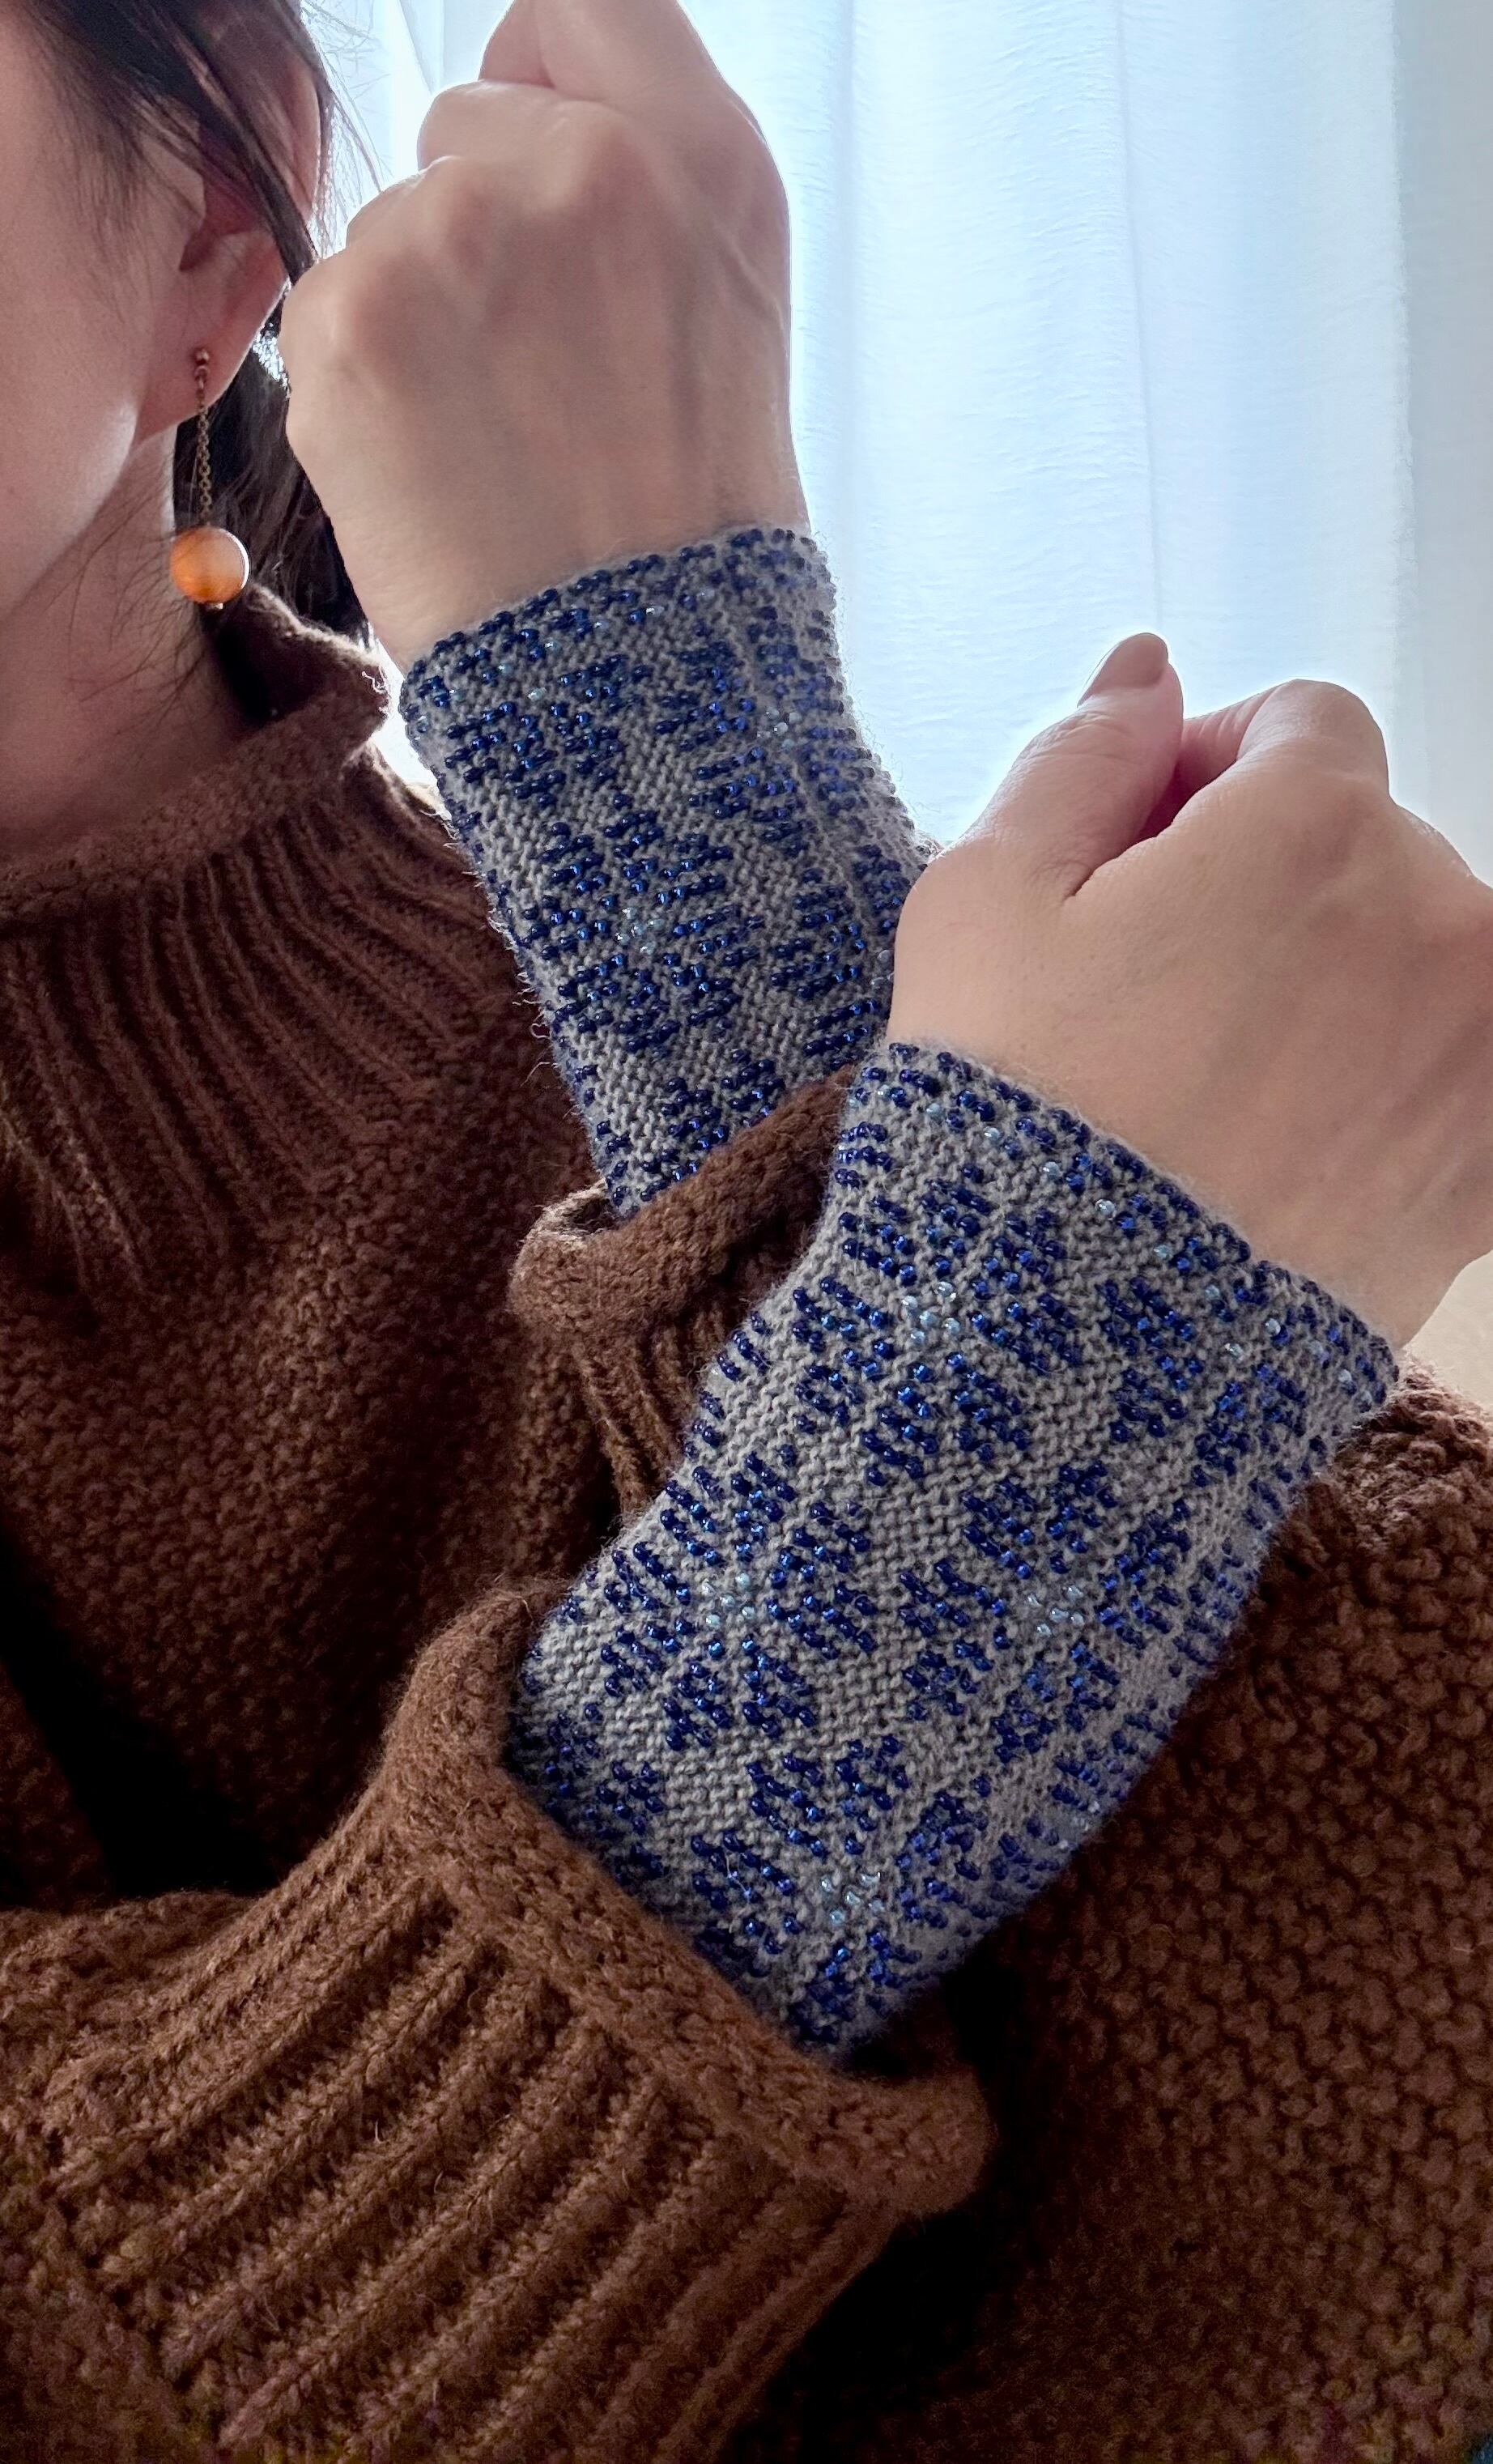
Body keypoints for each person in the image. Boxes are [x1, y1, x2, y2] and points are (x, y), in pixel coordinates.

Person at [2, 1, 1491, 2459]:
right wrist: (1002, 1377)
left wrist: (693, 824)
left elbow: (1396, 2153)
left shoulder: (662, 960)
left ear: (210, 220)